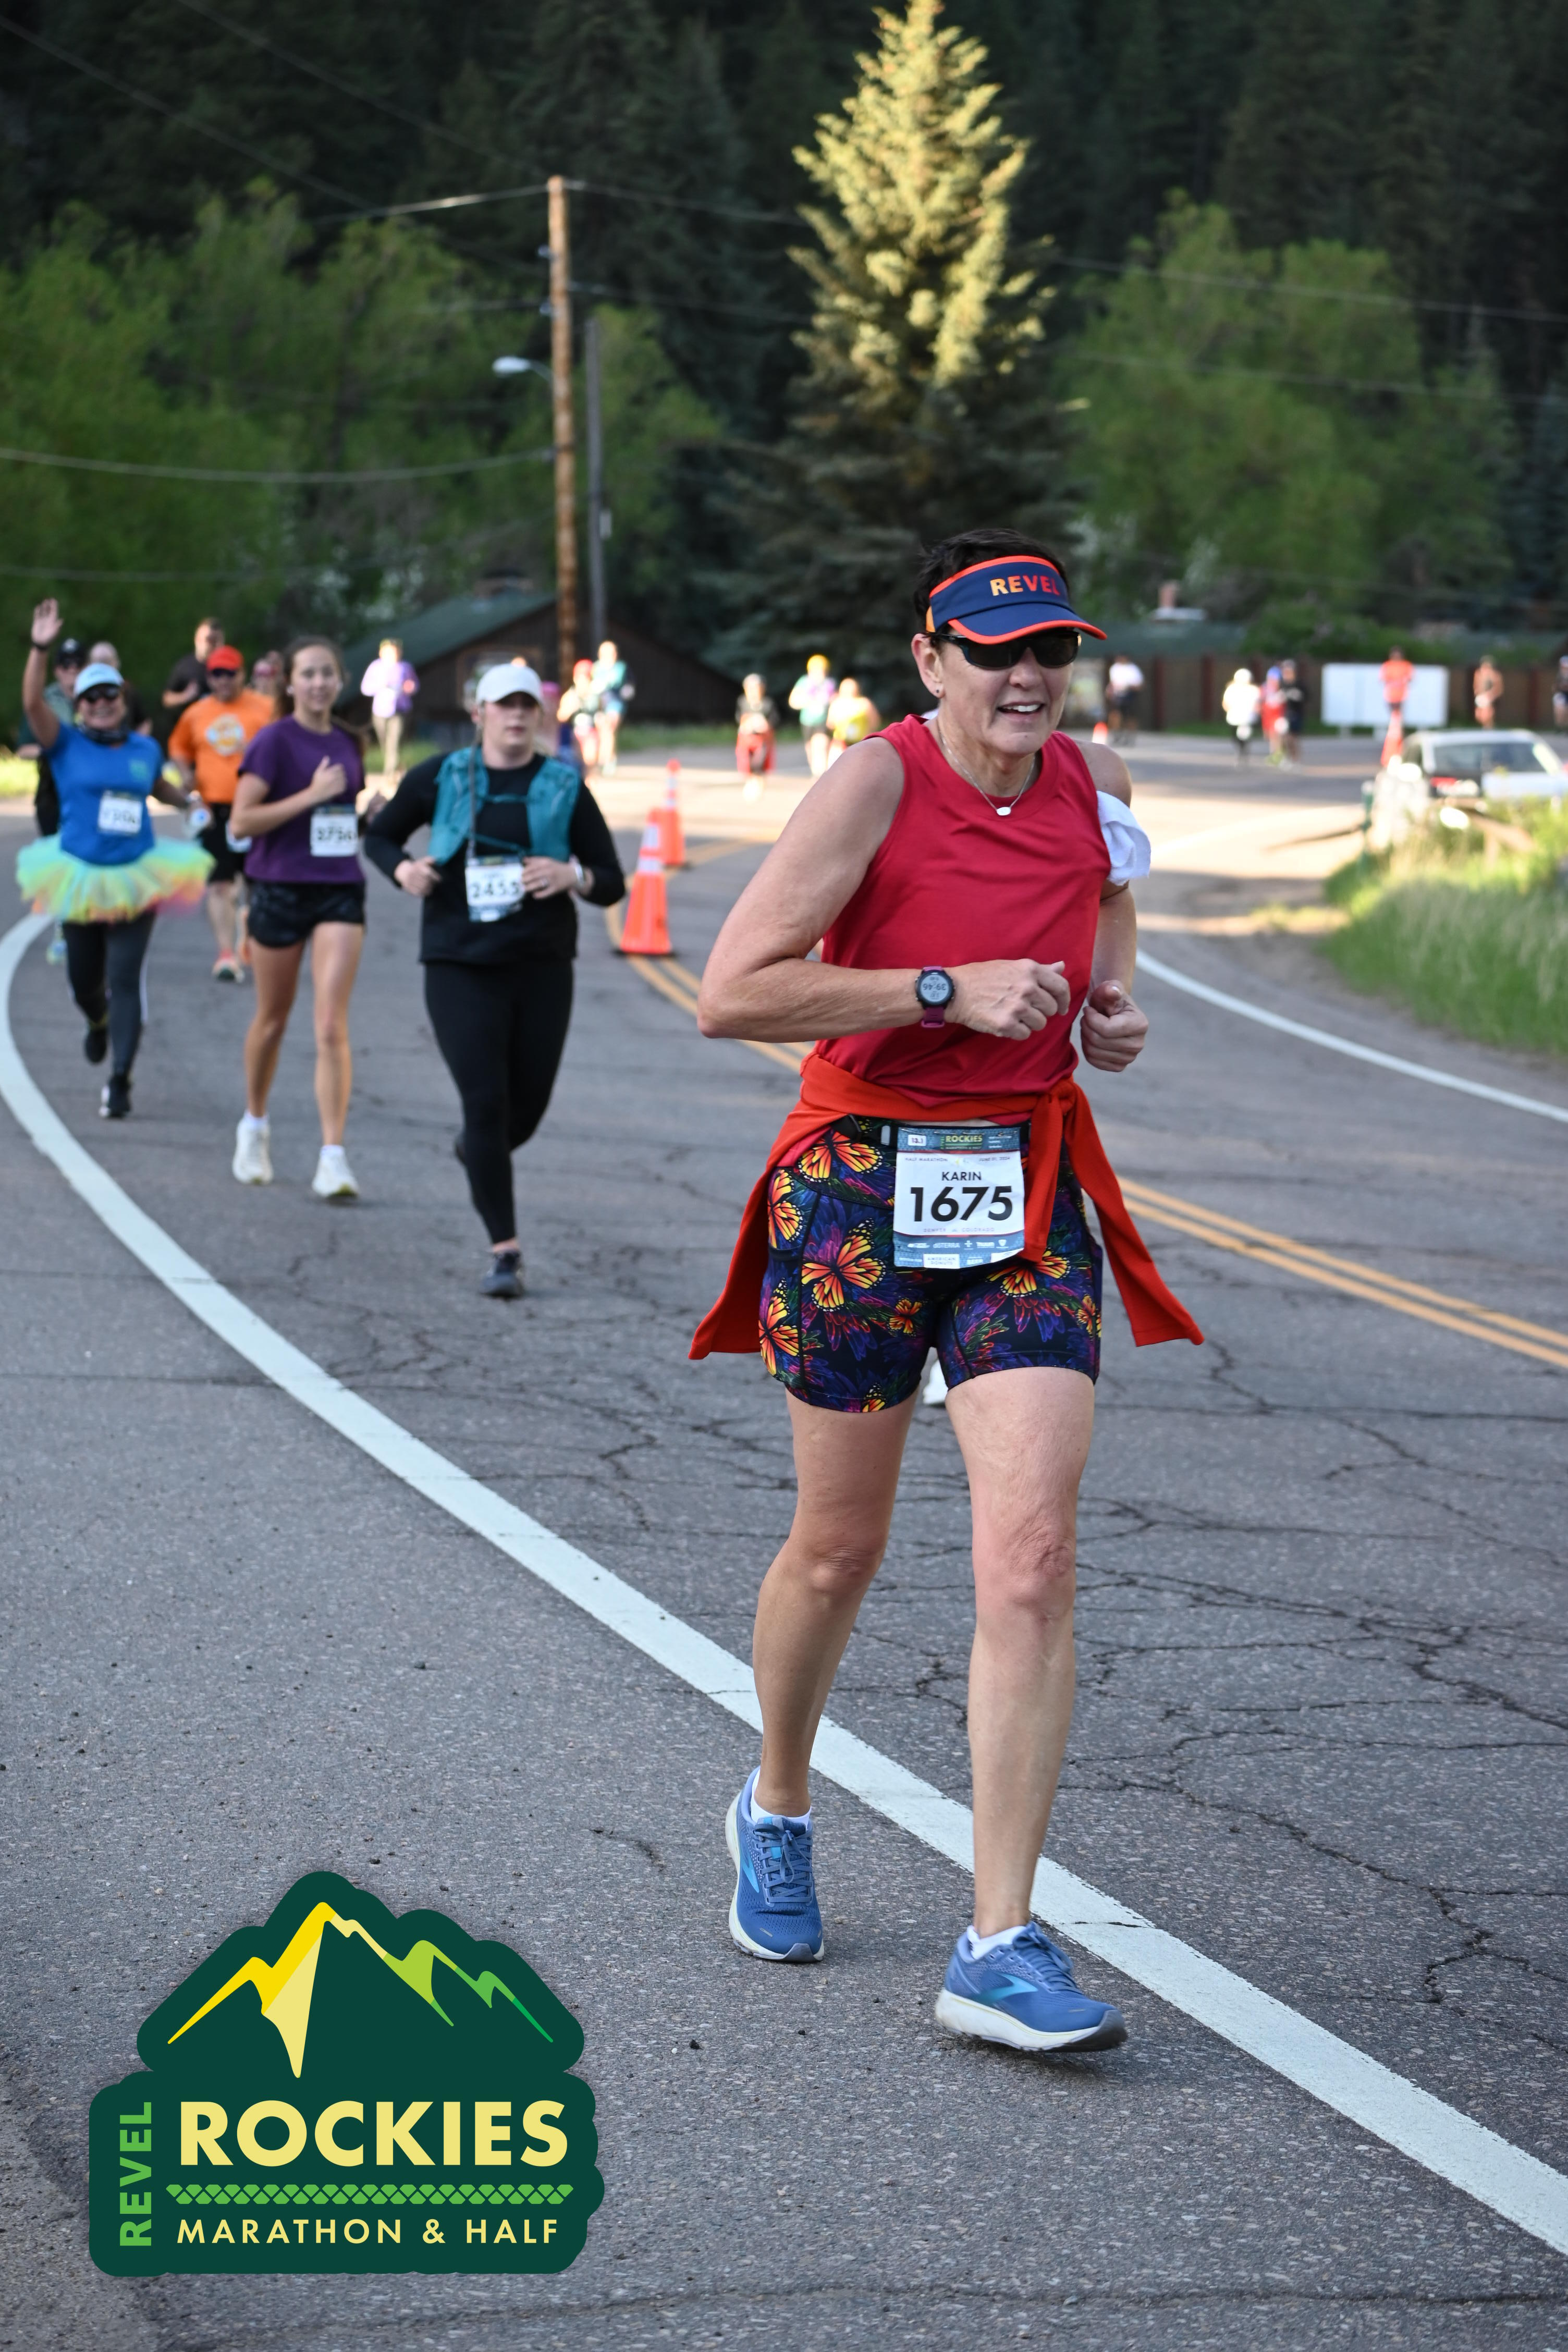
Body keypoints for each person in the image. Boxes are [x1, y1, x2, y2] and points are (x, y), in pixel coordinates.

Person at [691, 528, 1200, 2054]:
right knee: (837, 1546)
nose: (1028, 677)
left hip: (1023, 1181)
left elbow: (1106, 908)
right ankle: (778, 1800)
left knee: (1030, 1555)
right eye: (996, 654)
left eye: (1051, 651)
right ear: (931, 660)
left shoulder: (1096, 780)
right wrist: (940, 988)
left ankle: (996, 1940)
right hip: (857, 1175)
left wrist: (1108, 1003)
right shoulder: (873, 782)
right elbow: (731, 990)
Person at [364, 662, 624, 1295]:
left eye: (526, 706)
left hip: (541, 964)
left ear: (539, 715)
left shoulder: (563, 785)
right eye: (503, 705)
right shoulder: (441, 775)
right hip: (459, 962)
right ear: (478, 713)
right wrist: (404, 871)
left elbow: (610, 879)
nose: (515, 716)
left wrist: (572, 876)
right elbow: (381, 836)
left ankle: (477, 1149)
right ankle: (505, 1250)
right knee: (484, 1102)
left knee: (524, 1111)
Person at [15, 599, 209, 1118]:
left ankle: (121, 1078)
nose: (102, 703)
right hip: (80, 875)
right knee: (86, 982)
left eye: (110, 695)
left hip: (135, 875)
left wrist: (188, 803)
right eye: (92, 697)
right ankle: (95, 1021)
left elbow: (158, 786)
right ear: (79, 705)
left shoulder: (144, 749)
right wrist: (40, 648)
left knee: (125, 978)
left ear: (123, 699)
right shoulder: (64, 743)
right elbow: (32, 703)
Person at [228, 637, 366, 1199]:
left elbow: (340, 816)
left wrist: (367, 814)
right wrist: (309, 796)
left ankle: (333, 1157)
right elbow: (241, 822)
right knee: (273, 1020)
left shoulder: (349, 741)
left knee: (331, 1023)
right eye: (307, 674)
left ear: (341, 680)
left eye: (327, 673)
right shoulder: (273, 742)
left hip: (339, 890)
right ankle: (254, 1124)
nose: (318, 683)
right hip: (280, 888)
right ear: (289, 682)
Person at [167, 645, 273, 979]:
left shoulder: (265, 708)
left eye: (230, 673)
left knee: (257, 884)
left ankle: (249, 929)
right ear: (209, 678)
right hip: (214, 809)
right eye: (216, 674)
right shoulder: (197, 713)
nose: (223, 680)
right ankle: (226, 954)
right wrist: (185, 775)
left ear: (242, 674)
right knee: (218, 884)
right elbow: (178, 747)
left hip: (257, 808)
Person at [360, 637, 420, 787]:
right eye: (389, 652)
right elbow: (365, 688)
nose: (393, 655)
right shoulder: (375, 667)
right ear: (382, 653)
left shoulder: (405, 667)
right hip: (380, 711)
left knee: (394, 742)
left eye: (396, 652)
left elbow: (414, 685)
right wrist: (381, 686)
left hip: (399, 711)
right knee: (385, 743)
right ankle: (397, 767)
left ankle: (389, 776)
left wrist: (409, 688)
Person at [163, 617, 224, 722]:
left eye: (217, 641)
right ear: (198, 640)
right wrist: (185, 696)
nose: (214, 645)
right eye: (209, 640)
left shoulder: (226, 669)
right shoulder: (185, 667)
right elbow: (167, 699)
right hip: (191, 725)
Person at [788, 654, 838, 777]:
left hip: (823, 720)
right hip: (807, 721)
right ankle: (817, 774)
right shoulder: (804, 682)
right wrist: (807, 701)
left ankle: (822, 774)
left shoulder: (829, 684)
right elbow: (793, 701)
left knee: (821, 746)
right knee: (810, 749)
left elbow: (836, 701)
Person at [591, 640, 632, 774]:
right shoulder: (596, 668)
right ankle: (610, 758)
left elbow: (629, 685)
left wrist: (627, 692)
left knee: (609, 729)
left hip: (615, 704)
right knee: (603, 733)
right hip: (599, 705)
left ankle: (604, 761)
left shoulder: (622, 668)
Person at [736, 675, 778, 797]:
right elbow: (739, 718)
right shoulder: (743, 703)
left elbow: (774, 720)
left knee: (760, 761)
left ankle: (758, 782)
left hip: (762, 739)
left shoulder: (767, 704)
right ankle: (751, 781)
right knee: (746, 761)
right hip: (747, 738)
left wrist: (766, 725)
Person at [558, 659, 601, 774]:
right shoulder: (570, 696)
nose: (585, 682)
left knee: (590, 762)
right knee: (577, 765)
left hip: (591, 732)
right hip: (574, 734)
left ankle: (590, 781)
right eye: (581, 678)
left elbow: (601, 716)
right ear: (575, 678)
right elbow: (560, 718)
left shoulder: (596, 697)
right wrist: (570, 710)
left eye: (588, 678)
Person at [826, 676, 880, 764]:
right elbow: (830, 724)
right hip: (841, 743)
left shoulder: (864, 703)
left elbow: (874, 722)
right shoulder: (837, 703)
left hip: (860, 742)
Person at [1379, 646, 1414, 763]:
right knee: (1394, 722)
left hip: (1401, 697)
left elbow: (1410, 678)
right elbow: (1383, 679)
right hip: (1391, 697)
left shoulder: (1406, 666)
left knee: (1398, 722)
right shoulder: (1388, 666)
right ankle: (1394, 746)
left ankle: (1399, 745)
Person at [1221, 666, 1261, 758]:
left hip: (1247, 718)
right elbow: (1226, 703)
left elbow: (1258, 705)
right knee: (1236, 736)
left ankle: (1243, 749)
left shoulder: (1253, 690)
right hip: (1235, 717)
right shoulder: (1232, 689)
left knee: (1245, 735)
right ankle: (1241, 748)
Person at [1105, 652, 1143, 744]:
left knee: (1130, 716)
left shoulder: (1133, 669)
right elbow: (1113, 682)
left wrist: (1128, 686)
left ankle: (1130, 736)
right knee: (1115, 715)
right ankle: (1116, 735)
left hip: (1130, 695)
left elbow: (1139, 685)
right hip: (1117, 695)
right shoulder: (1115, 668)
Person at [1278, 658, 1305, 761]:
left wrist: (1297, 696)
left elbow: (1306, 697)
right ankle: (1284, 757)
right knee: (1283, 737)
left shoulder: (1299, 684)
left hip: (1296, 714)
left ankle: (1295, 758)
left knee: (1293, 737)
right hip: (1283, 715)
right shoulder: (1282, 684)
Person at [1259, 664, 1286, 764]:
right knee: (1270, 736)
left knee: (1279, 736)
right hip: (1268, 716)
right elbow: (1261, 702)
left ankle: (1280, 755)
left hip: (1279, 716)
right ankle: (1274, 754)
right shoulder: (1265, 688)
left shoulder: (1282, 689)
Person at [1472, 654, 1503, 730]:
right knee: (1479, 715)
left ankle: (1489, 727)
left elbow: (1499, 689)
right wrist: (1477, 692)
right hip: (1481, 697)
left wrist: (1491, 695)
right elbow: (1476, 685)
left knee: (1487, 714)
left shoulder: (1495, 676)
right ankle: (1486, 726)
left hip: (1490, 697)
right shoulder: (1478, 674)